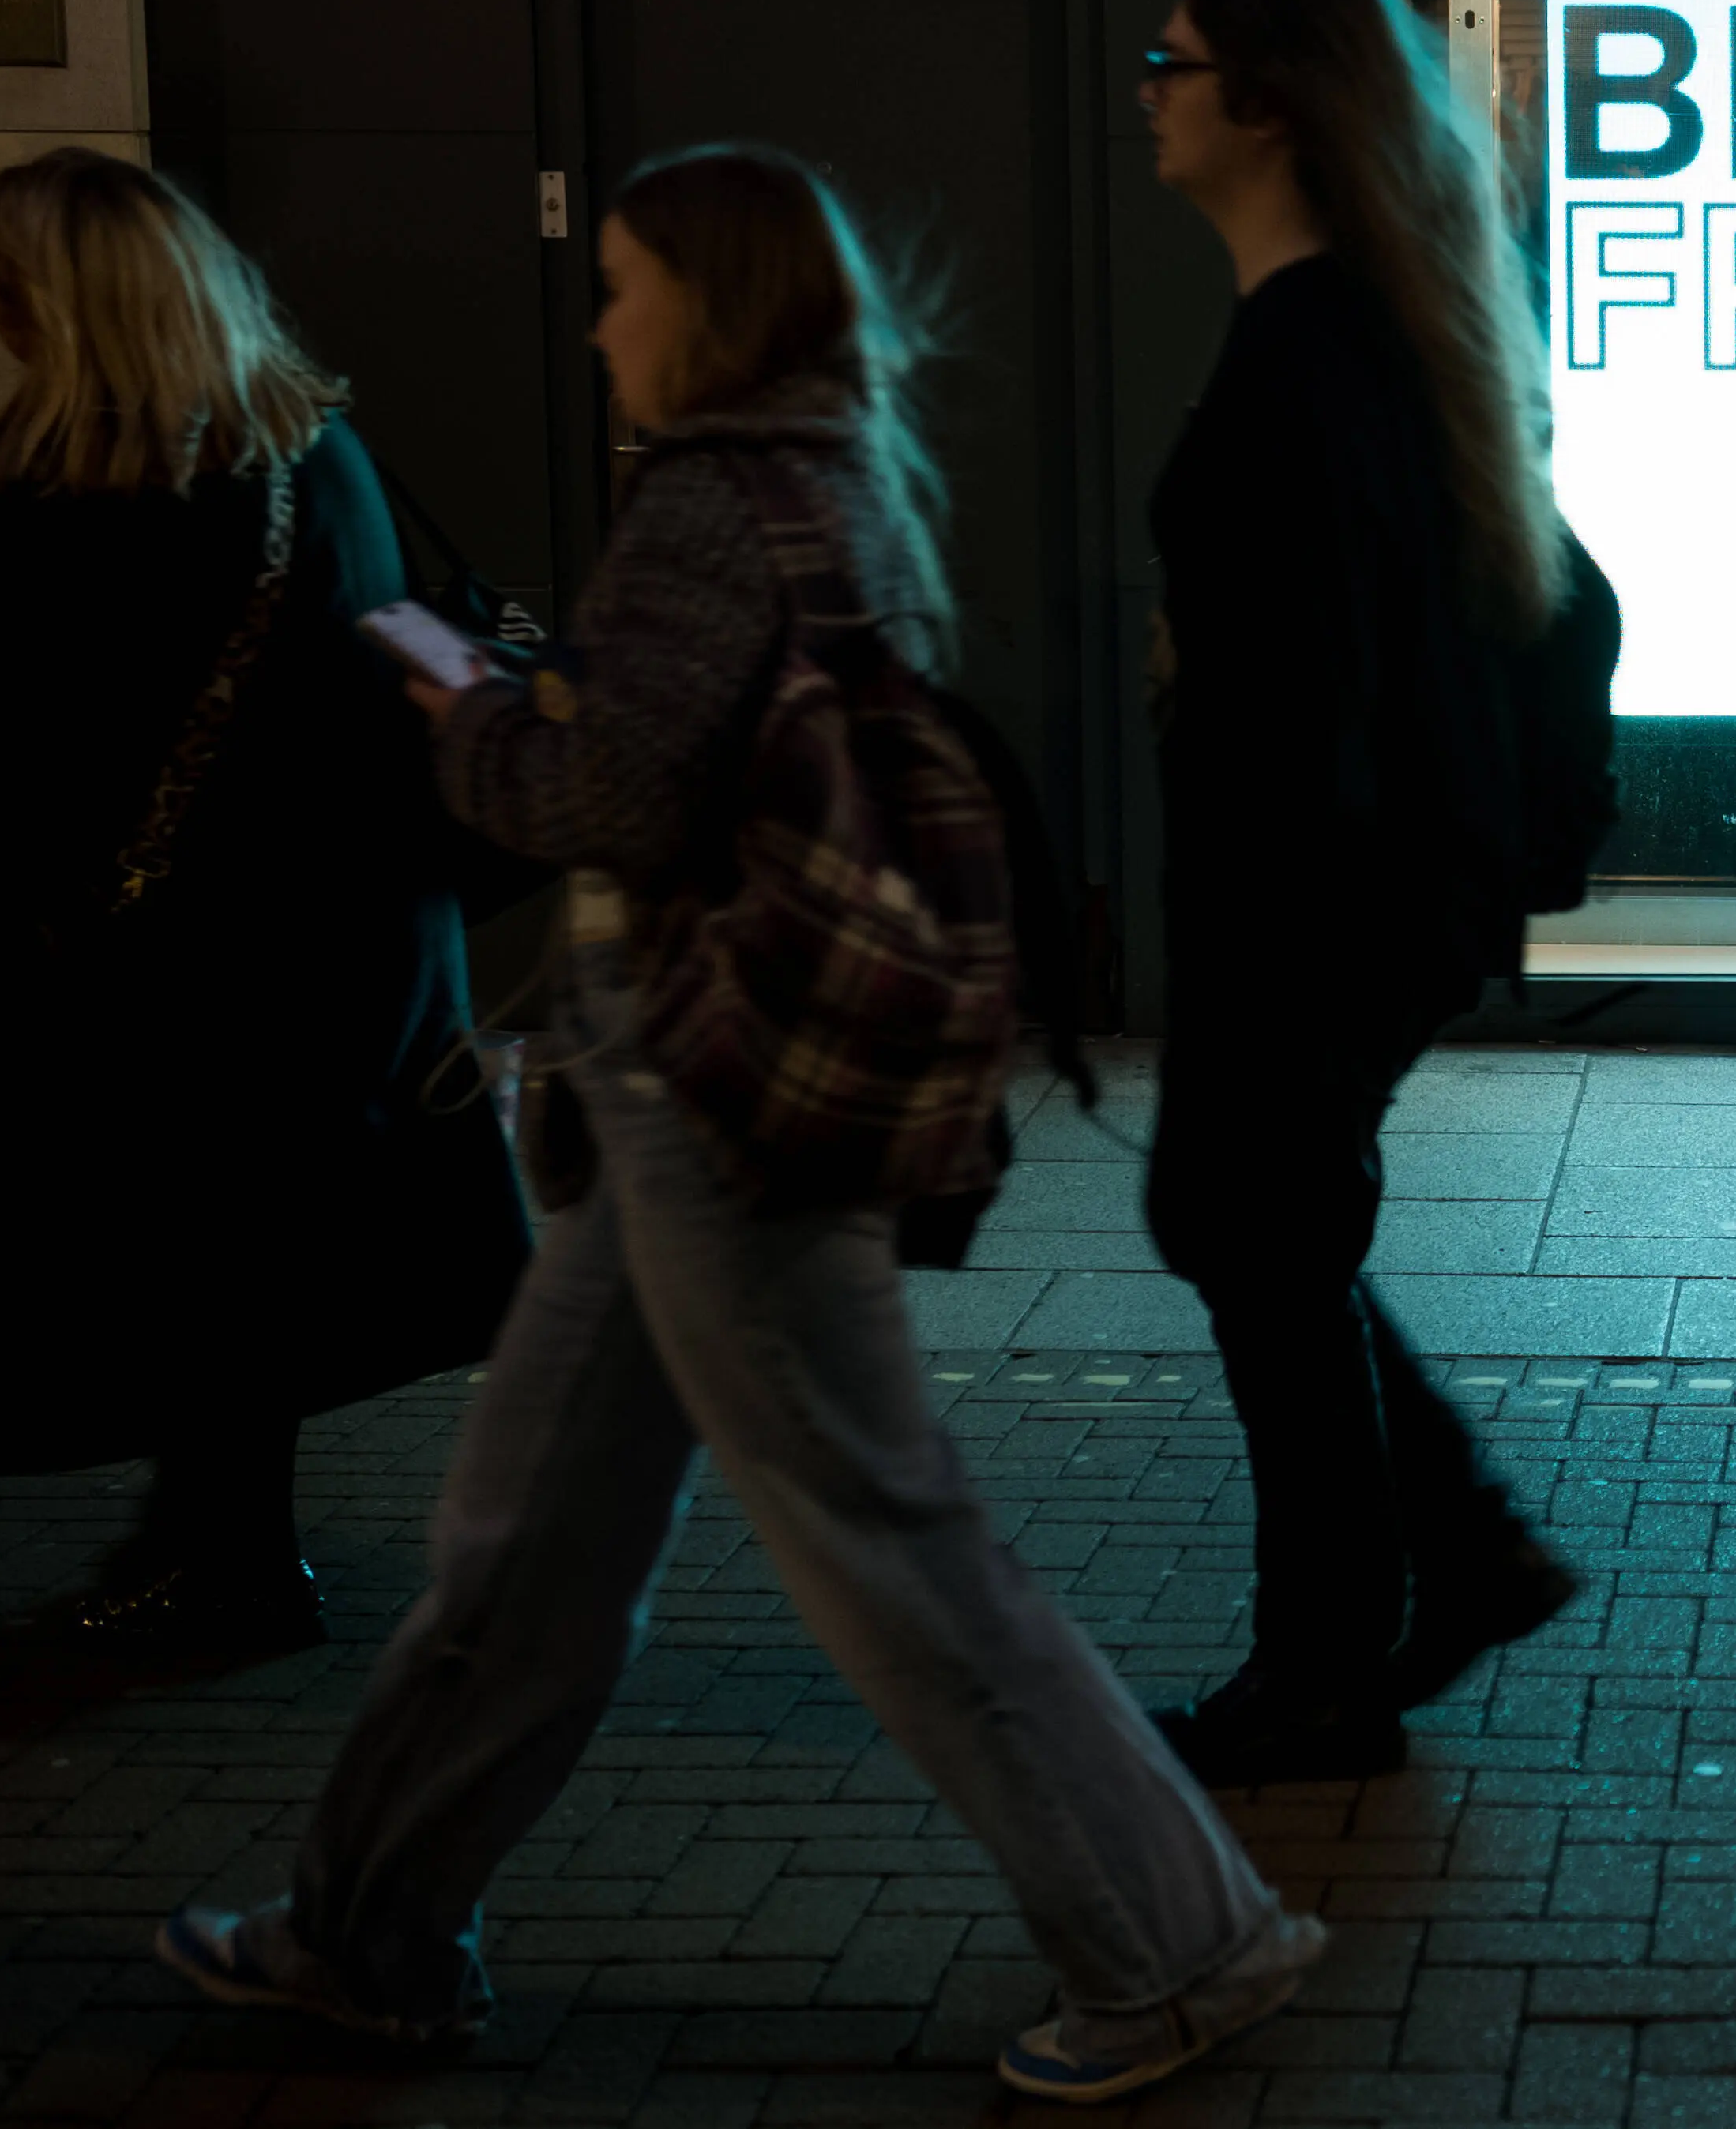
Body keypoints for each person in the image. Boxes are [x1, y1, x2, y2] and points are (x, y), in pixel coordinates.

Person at [153, 145, 1314, 2105]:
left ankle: (1178, 1942)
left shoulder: (705, 503)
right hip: (693, 1100)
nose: (597, 322)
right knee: (523, 1544)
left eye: (620, 285)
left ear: (707, 302)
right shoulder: (843, 477)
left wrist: (461, 704)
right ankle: (367, 1933)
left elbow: (602, 802)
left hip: (720, 1107)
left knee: (878, 1531)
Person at [0, 146, 527, 1654]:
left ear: (44, 301)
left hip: (158, 957)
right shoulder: (315, 455)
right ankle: (225, 1543)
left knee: (174, 1247)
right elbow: (391, 664)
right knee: (254, 1248)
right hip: (346, 942)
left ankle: (223, 1558)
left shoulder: (47, 506)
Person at [1133, 0, 1579, 1785]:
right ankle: (1442, 1562)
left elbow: (1312, 684)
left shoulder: (1313, 353)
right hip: (1366, 897)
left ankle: (1331, 1657)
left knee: (1250, 1231)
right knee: (1258, 1231)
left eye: (1163, 65)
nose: (1143, 96)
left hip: (1315, 902)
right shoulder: (1370, 333)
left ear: (1262, 101)